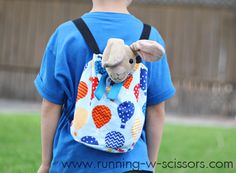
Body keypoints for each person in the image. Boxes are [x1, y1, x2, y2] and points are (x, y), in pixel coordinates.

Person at [35, 0, 176, 173]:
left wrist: (46, 163)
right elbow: (156, 111)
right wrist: (150, 164)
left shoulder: (66, 34)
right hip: (132, 163)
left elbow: (50, 105)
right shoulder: (150, 38)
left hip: (72, 160)